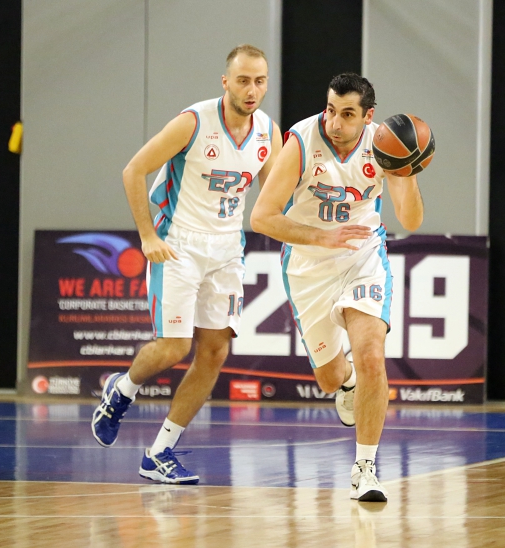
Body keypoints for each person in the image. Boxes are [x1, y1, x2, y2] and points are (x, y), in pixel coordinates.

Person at [91, 44, 282, 484]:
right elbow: (133, 170)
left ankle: (159, 452)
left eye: (259, 81)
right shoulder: (194, 122)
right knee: (174, 348)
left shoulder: (267, 132)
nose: (252, 90)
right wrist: (147, 236)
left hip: (227, 249)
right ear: (226, 81)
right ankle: (122, 389)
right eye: (243, 80)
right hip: (179, 243)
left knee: (214, 352)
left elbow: (274, 194)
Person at [250, 73, 423, 502]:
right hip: (308, 265)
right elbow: (262, 218)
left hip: (363, 258)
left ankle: (365, 469)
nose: (334, 122)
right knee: (329, 379)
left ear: (368, 116)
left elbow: (411, 220)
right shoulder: (301, 141)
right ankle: (346, 384)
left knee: (371, 355)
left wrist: (408, 168)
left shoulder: (382, 145)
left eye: (347, 114)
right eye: (330, 110)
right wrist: (320, 237)